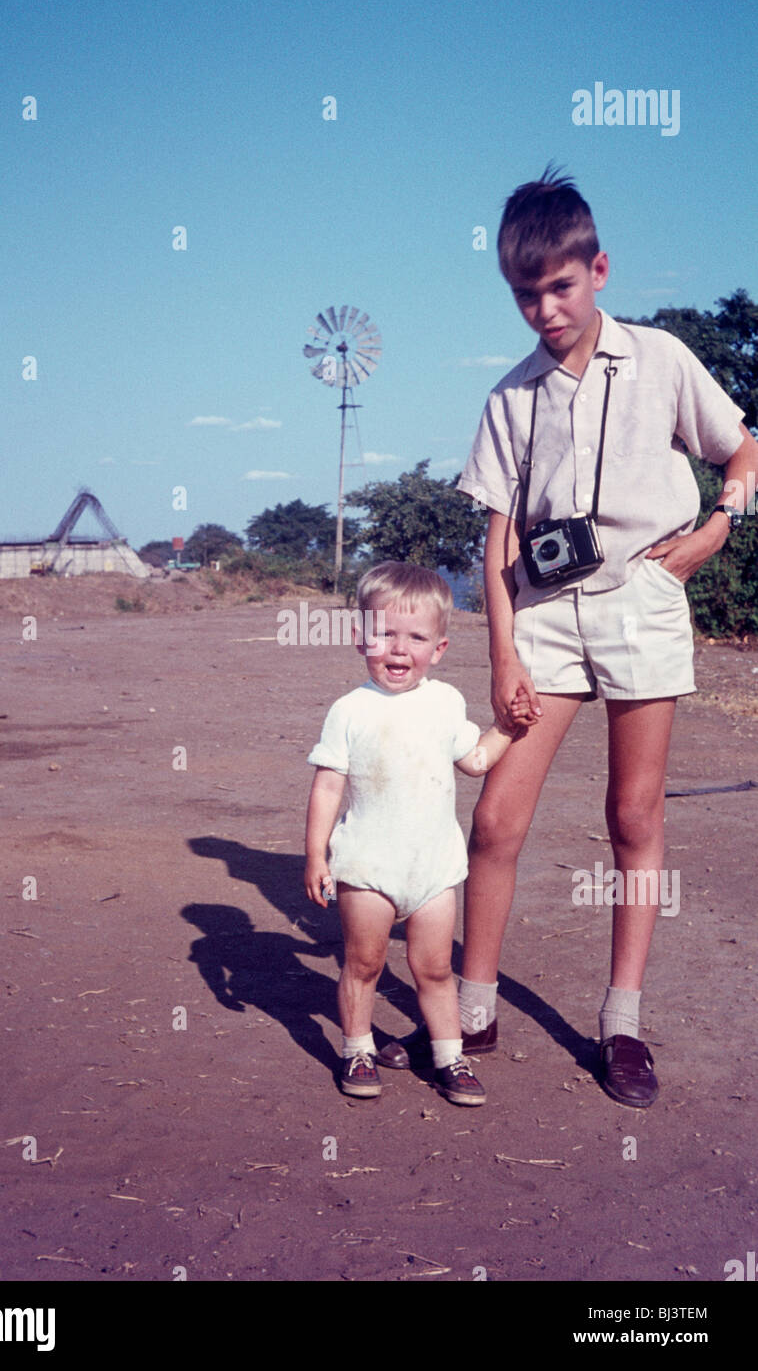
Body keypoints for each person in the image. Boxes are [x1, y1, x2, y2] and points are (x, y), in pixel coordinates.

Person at [377, 167, 758, 1107]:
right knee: (497, 820)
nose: (544, 309)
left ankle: (621, 1023)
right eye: (524, 294)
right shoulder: (510, 400)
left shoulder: (663, 359)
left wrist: (721, 525)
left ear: (598, 269)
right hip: (542, 617)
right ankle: (474, 1010)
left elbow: (741, 444)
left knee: (633, 817)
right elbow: (498, 533)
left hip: (643, 598)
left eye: (560, 286)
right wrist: (504, 652)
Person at [304, 562, 525, 1104]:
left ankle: (450, 1058)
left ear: (440, 648)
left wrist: (508, 731)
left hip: (433, 869)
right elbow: (328, 788)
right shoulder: (349, 711)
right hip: (367, 866)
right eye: (384, 634)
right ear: (361, 639)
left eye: (416, 638)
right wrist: (315, 857)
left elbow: (474, 760)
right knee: (363, 964)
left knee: (435, 968)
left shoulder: (445, 703)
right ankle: (357, 1048)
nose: (399, 650)